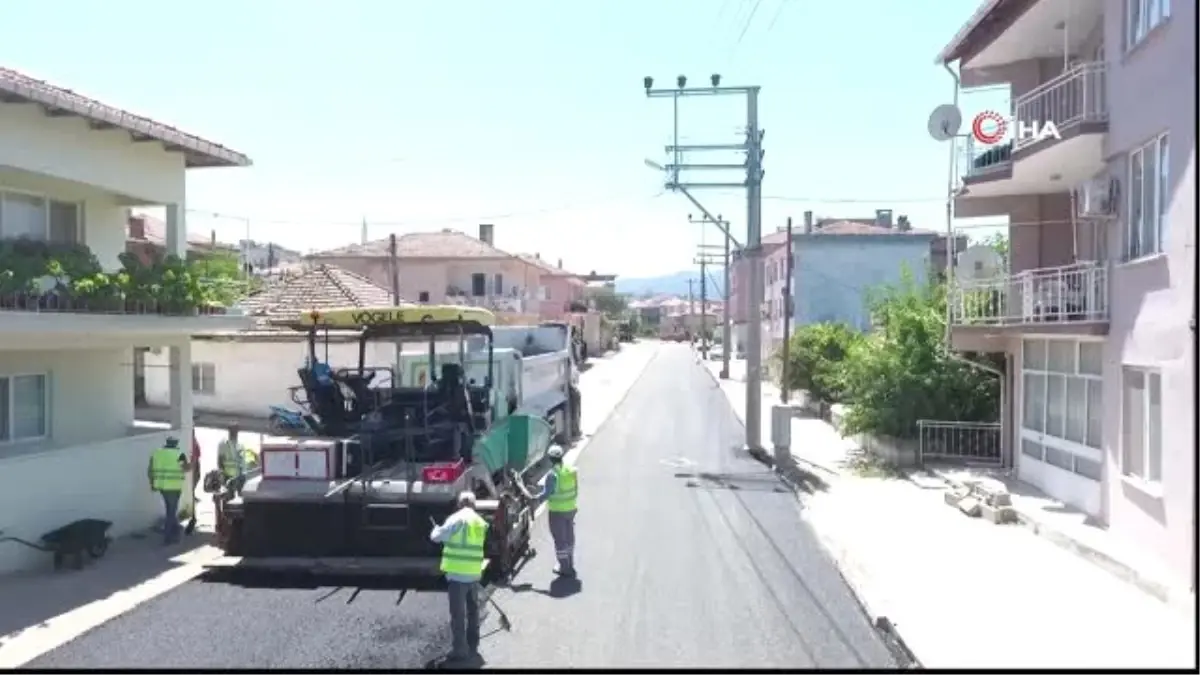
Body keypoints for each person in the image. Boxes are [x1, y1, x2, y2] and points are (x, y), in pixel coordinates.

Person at [429, 491, 490, 663]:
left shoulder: (456, 519)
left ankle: (460, 649)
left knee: (458, 614)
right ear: (473, 504)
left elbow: (437, 537)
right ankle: (473, 642)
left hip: (457, 575)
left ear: (460, 503)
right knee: (473, 611)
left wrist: (436, 530)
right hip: (474, 573)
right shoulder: (480, 522)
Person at [534, 446, 578, 577]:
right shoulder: (570, 470)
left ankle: (564, 567)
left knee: (560, 540)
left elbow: (546, 494)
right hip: (571, 509)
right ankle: (570, 563)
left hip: (557, 511)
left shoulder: (552, 475)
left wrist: (534, 500)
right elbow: (575, 488)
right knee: (569, 537)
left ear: (550, 459)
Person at [148, 436, 190, 545]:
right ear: (176, 443)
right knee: (171, 512)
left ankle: (175, 532)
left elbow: (150, 470)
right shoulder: (179, 454)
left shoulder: (157, 453)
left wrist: (152, 483)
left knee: (170, 510)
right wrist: (192, 463)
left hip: (162, 487)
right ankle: (168, 537)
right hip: (174, 487)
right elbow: (185, 468)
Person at [218, 424, 247, 497]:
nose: (235, 434)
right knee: (229, 495)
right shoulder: (224, 444)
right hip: (227, 475)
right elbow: (220, 460)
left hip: (236, 475)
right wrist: (221, 473)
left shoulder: (240, 445)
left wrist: (243, 474)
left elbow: (242, 462)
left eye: (236, 432)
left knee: (238, 495)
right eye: (233, 432)